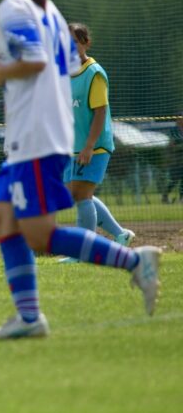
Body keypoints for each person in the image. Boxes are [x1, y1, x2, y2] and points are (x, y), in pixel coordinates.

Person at [0, 0, 161, 339]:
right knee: (5, 221)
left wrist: (0, 70)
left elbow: (37, 60)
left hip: (37, 137)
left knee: (40, 236)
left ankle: (136, 262)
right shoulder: (45, 6)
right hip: (34, 133)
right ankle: (28, 318)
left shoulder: (15, 8)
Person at [59, 23, 134, 263]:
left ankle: (85, 252)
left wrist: (90, 146)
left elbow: (100, 112)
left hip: (95, 146)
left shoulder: (94, 73)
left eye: (74, 42)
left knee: (81, 194)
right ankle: (121, 235)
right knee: (78, 193)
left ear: (85, 43)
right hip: (75, 147)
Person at [163, 112, 183, 204]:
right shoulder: (173, 130)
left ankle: (181, 198)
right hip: (176, 159)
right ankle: (165, 197)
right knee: (174, 180)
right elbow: (171, 144)